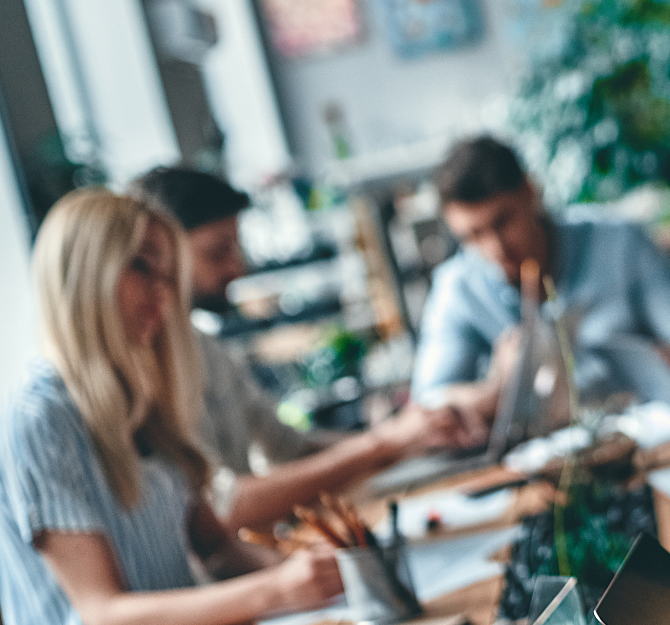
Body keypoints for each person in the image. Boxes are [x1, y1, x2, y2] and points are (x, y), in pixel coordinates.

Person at [0, 190, 350, 625]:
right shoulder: (38, 421)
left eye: (169, 276)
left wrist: (314, 574)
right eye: (140, 269)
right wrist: (278, 591)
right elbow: (109, 617)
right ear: (84, 274)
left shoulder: (140, 402)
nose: (163, 293)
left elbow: (218, 549)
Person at [126, 167, 482, 528]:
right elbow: (223, 506)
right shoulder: (142, 376)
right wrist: (382, 444)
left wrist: (409, 442)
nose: (237, 267)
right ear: (163, 255)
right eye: (218, 252)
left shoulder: (208, 352)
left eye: (235, 247)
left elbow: (289, 449)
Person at [413, 136, 670, 414]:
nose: (495, 248)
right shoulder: (457, 289)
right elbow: (428, 400)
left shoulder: (618, 242)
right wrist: (498, 389)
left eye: (503, 222)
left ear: (529, 191)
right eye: (473, 236)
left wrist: (646, 369)